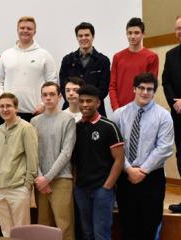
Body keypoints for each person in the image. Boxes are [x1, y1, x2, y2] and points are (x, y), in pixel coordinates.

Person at [111, 72, 174, 240]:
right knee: (127, 224)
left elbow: (165, 148)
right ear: (134, 89)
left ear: (154, 92)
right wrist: (129, 169)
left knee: (150, 225)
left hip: (152, 177)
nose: (145, 92)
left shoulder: (164, 116)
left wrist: (143, 170)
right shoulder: (119, 114)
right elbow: (114, 147)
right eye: (141, 88)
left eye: (150, 89)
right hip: (125, 177)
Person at [72, 85, 124, 240]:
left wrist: (107, 186)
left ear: (98, 103)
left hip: (102, 190)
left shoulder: (109, 127)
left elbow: (119, 159)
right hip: (81, 189)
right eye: (81, 101)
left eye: (89, 101)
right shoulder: (76, 128)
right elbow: (74, 159)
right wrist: (76, 183)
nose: (85, 105)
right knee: (86, 233)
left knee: (101, 234)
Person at [30, 82, 76, 240]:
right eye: (45, 95)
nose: (48, 98)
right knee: (43, 227)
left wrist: (48, 178)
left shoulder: (68, 120)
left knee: (64, 226)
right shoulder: (34, 122)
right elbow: (32, 153)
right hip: (40, 181)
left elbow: (66, 152)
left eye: (52, 94)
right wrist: (41, 177)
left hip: (61, 179)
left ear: (59, 97)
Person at [0, 93, 38, 237]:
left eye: (8, 106)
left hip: (18, 188)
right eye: (2, 106)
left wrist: (27, 186)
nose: (5, 109)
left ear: (16, 108)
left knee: (21, 232)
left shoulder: (26, 128)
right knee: (6, 232)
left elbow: (32, 159)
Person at [0, 16, 57, 122]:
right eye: (22, 28)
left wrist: (43, 104)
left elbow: (53, 83)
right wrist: (3, 99)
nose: (25, 31)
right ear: (17, 30)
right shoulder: (6, 54)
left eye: (29, 28)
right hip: (10, 112)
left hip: (36, 112)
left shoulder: (44, 55)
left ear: (34, 32)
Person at [59, 22, 110, 116]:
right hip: (70, 110)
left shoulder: (103, 61)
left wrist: (87, 102)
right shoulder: (67, 60)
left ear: (93, 37)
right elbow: (63, 86)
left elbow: (104, 89)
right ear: (77, 38)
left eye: (87, 35)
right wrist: (74, 101)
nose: (83, 38)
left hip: (95, 111)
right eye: (80, 36)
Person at [109, 17, 159, 111]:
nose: (132, 36)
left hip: (142, 110)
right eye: (130, 33)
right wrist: (116, 109)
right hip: (121, 110)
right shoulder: (117, 57)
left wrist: (142, 109)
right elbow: (112, 86)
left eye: (136, 33)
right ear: (126, 34)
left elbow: (151, 87)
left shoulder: (152, 57)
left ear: (143, 34)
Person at [162, 16, 181, 191]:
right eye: (177, 28)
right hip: (178, 114)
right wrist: (175, 103)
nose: (179, 31)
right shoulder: (171, 55)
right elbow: (165, 82)